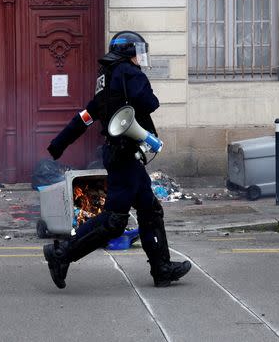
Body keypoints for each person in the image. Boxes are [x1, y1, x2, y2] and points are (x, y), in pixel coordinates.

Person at [43, 31, 191, 289]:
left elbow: (85, 117)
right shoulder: (128, 73)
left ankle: (162, 269)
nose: (139, 59)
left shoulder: (106, 78)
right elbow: (150, 102)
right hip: (125, 155)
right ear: (127, 53)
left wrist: (59, 144)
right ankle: (62, 254)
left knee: (150, 210)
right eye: (137, 53)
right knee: (114, 221)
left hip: (120, 153)